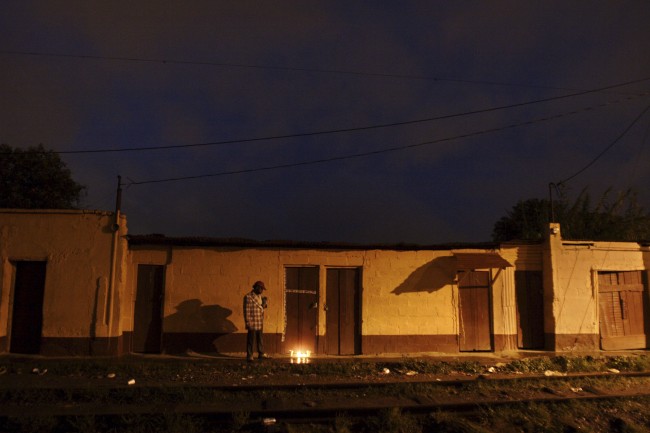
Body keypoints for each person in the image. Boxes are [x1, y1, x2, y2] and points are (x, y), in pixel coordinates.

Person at [243, 280, 270, 361]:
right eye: (261, 289)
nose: (262, 291)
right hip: (253, 321)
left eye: (262, 289)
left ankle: (261, 353)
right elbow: (246, 311)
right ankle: (249, 355)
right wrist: (248, 322)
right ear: (256, 287)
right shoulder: (248, 297)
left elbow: (261, 307)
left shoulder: (260, 297)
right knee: (251, 339)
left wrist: (264, 304)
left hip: (260, 321)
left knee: (260, 338)